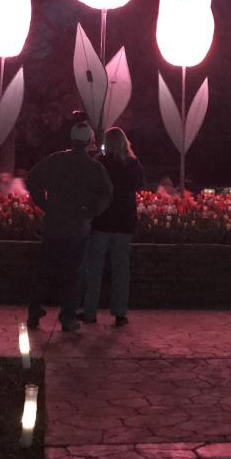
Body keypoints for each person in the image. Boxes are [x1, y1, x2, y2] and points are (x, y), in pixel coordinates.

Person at [25, 122, 112, 332]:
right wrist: (90, 212)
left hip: (53, 224)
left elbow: (32, 179)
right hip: (77, 227)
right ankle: (68, 317)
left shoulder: (55, 160)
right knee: (73, 274)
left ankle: (34, 312)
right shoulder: (94, 168)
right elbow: (107, 194)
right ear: (90, 141)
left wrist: (44, 204)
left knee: (43, 272)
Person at [79, 127, 145, 327]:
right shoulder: (133, 164)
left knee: (94, 268)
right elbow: (139, 186)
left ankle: (90, 311)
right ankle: (119, 313)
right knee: (121, 269)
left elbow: (91, 187)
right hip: (124, 222)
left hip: (102, 220)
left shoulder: (101, 163)